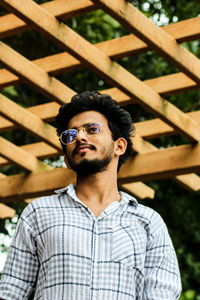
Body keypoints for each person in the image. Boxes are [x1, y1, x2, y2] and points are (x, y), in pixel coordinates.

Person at [0, 91, 182, 299]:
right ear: (67, 160)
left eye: (92, 129)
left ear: (119, 146)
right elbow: (10, 292)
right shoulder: (38, 213)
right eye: (70, 135)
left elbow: (161, 295)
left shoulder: (148, 223)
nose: (80, 136)